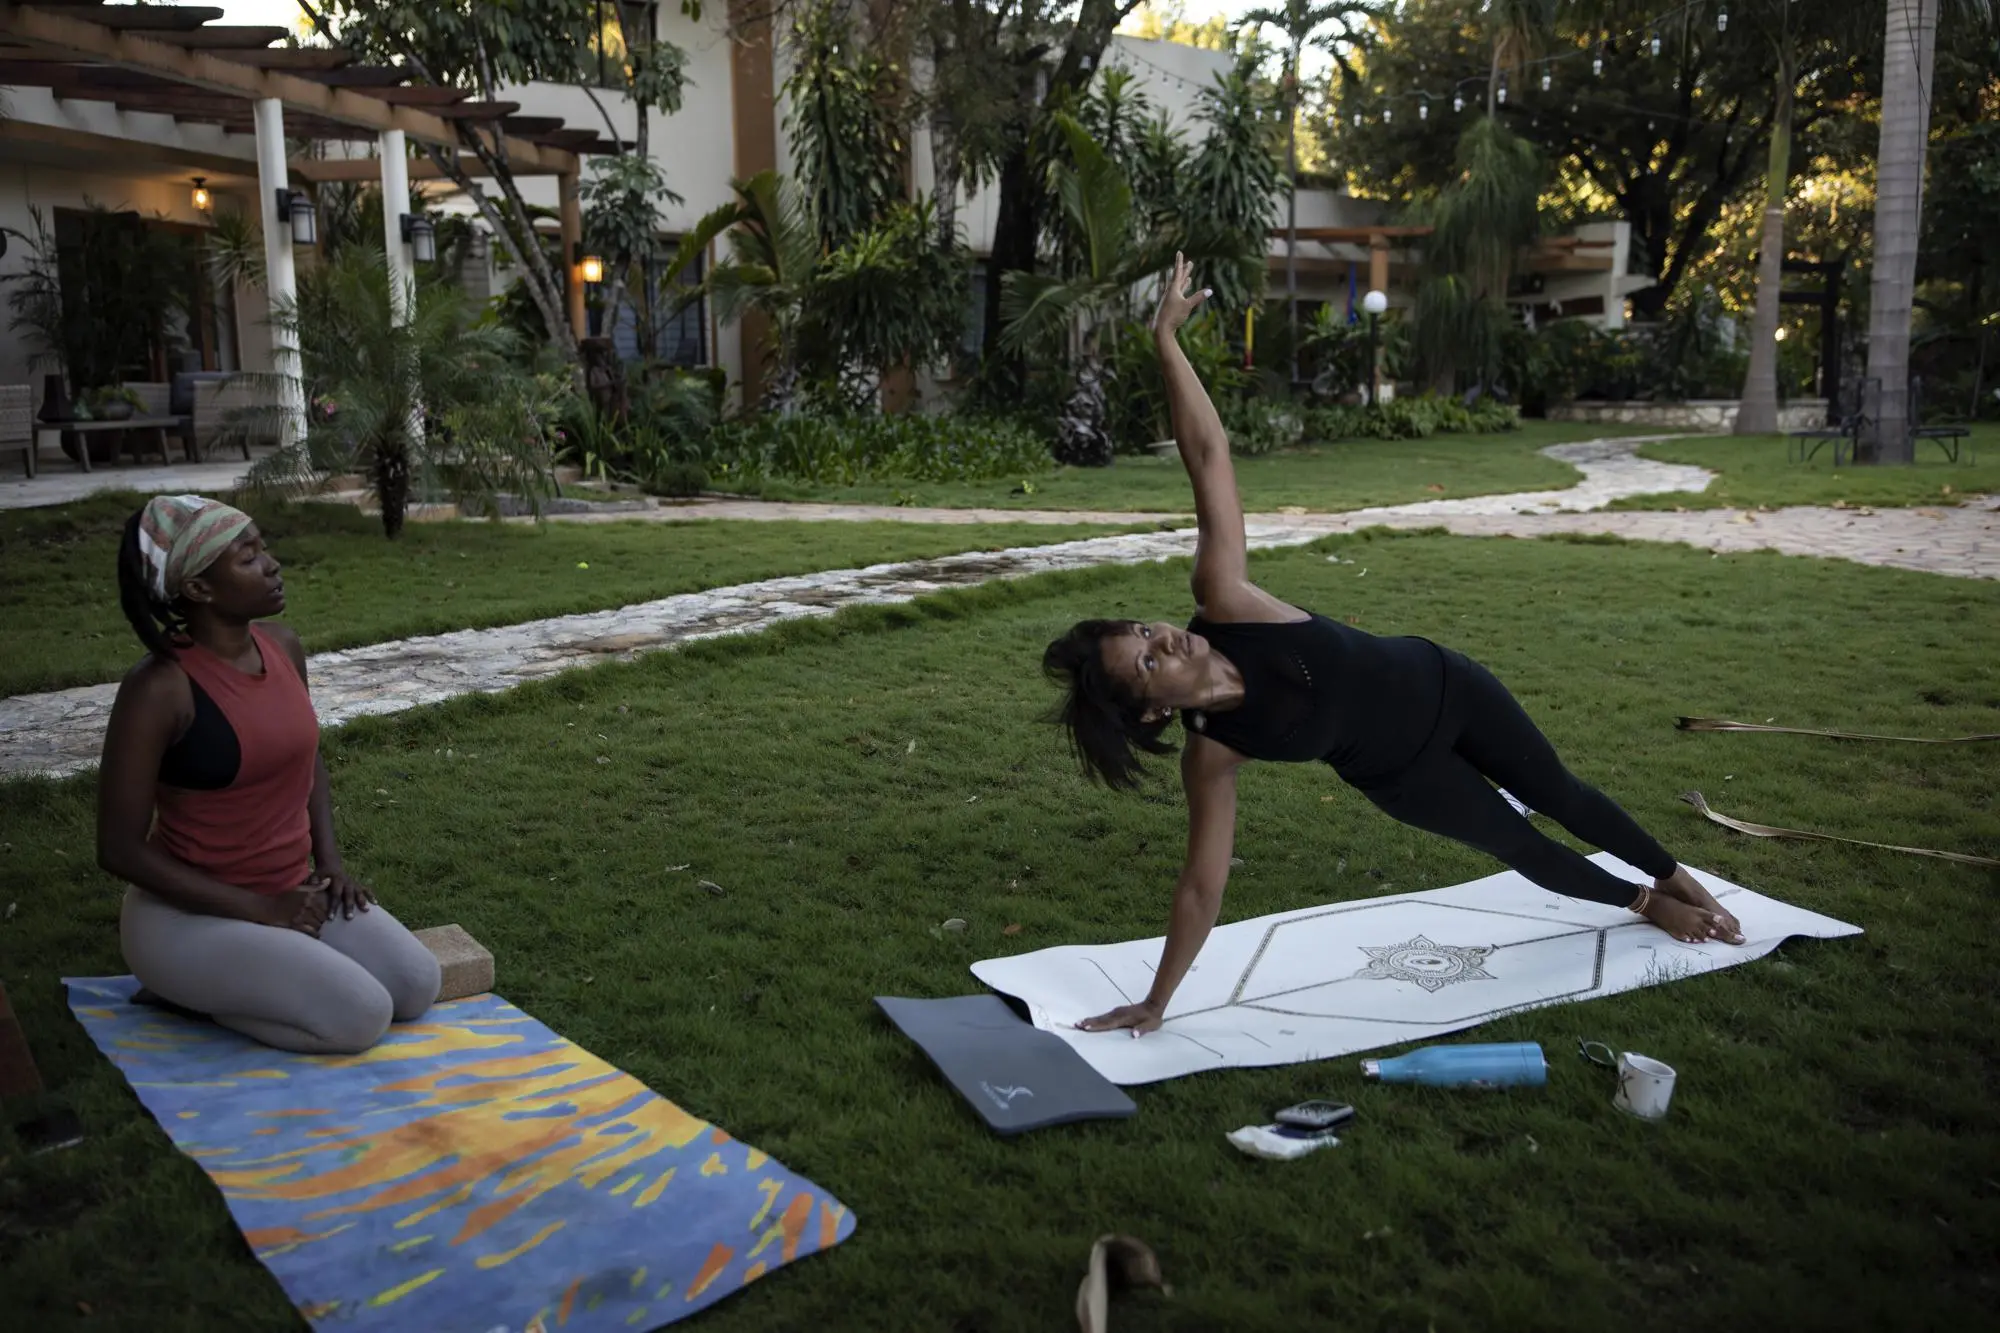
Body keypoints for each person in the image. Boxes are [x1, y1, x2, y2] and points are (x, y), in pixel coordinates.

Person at [1042, 257, 1745, 1038]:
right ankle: (1646, 904)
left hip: (1447, 683)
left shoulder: (1225, 599)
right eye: (1147, 662)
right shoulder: (1211, 754)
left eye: (1143, 631)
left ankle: (1679, 875)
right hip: (1405, 777)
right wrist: (1157, 1001)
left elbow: (1209, 459)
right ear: (1148, 716)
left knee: (1562, 795)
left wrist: (1167, 341)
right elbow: (1201, 888)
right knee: (1520, 844)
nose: (1162, 639)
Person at [95, 494, 440, 1053]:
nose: (272, 564)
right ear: (199, 589)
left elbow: (307, 763)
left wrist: (329, 867)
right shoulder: (159, 689)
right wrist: (261, 910)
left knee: (416, 985)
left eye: (264, 547)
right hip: (185, 920)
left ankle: (242, 984)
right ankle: (190, 994)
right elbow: (117, 848)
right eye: (247, 557)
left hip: (292, 894)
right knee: (362, 1015)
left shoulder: (282, 646)